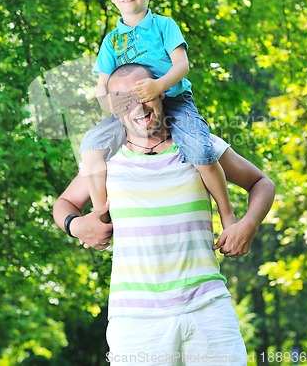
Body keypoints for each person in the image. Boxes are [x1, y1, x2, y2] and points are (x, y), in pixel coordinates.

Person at [54, 64, 275, 366]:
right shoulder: (107, 160)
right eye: (124, 101)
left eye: (143, 94)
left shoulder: (200, 147)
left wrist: (246, 225)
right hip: (136, 320)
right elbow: (64, 203)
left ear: (161, 93)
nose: (139, 108)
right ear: (114, 110)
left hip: (207, 308)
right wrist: (76, 225)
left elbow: (262, 183)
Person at [80, 0, 236, 228]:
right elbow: (102, 88)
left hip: (174, 101)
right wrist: (114, 107)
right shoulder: (111, 40)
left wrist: (159, 86)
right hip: (130, 109)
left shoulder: (164, 26)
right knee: (91, 145)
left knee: (200, 150)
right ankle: (102, 215)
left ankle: (227, 214)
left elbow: (182, 66)